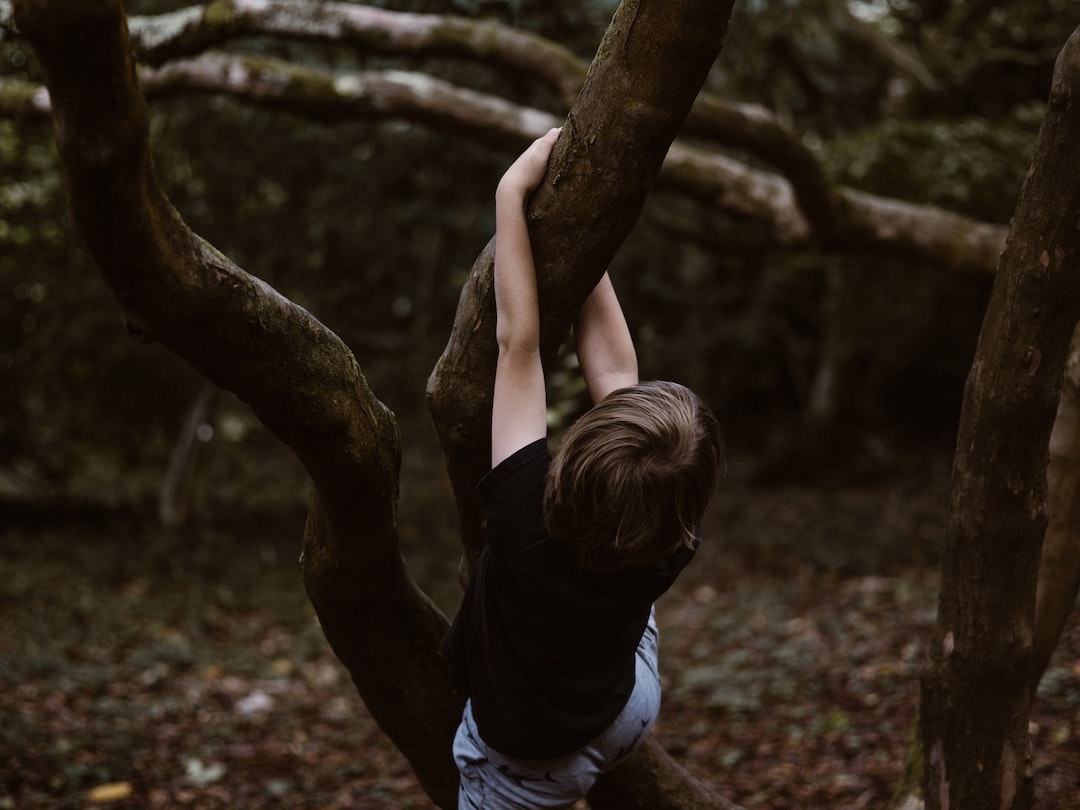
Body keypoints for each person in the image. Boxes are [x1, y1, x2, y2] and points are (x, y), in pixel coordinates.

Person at [442, 127, 724, 809]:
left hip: (529, 759)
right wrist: (577, 239)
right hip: (625, 704)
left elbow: (519, 345)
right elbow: (607, 368)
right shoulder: (671, 535)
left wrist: (514, 193)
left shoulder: (523, 517)